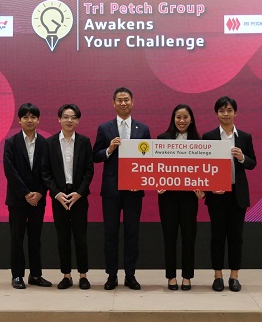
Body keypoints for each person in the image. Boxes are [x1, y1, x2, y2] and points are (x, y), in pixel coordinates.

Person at [93, 87, 151, 290]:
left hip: (134, 190)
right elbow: (95, 156)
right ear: (113, 103)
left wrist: (140, 181)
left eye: (127, 99)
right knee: (110, 233)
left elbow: (148, 159)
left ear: (133, 102)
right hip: (111, 190)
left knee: (132, 233)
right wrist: (109, 149)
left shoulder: (143, 129)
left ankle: (130, 275)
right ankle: (111, 275)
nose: (123, 103)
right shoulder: (104, 128)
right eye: (120, 100)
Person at [201, 96, 256, 292]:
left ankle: (234, 276)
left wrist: (242, 158)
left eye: (229, 110)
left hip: (237, 194)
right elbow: (203, 166)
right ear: (216, 114)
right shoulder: (208, 137)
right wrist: (209, 188)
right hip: (216, 194)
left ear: (235, 113)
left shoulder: (245, 137)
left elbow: (252, 163)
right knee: (217, 236)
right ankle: (217, 276)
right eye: (222, 110)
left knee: (236, 237)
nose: (226, 114)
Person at [41, 104, 94, 290]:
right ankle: (66, 275)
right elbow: (45, 172)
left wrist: (80, 192)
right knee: (63, 238)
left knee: (81, 237)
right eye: (66, 117)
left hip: (79, 196)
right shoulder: (50, 143)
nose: (69, 120)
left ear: (78, 121)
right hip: (59, 197)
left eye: (73, 117)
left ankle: (83, 275)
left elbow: (89, 170)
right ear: (59, 119)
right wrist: (56, 193)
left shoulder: (84, 142)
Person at [3, 103, 52, 289]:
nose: (29, 120)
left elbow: (47, 172)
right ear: (19, 120)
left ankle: (36, 275)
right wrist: (25, 193)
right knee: (17, 238)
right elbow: (10, 171)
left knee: (35, 238)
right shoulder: (11, 142)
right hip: (17, 200)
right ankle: (17, 275)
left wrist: (40, 192)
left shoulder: (45, 143)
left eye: (33, 117)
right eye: (25, 117)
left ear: (38, 120)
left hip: (38, 199)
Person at [156, 104, 205, 291]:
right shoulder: (162, 139)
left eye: (185, 117)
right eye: (178, 117)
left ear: (191, 119)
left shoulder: (199, 141)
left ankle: (187, 276)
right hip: (167, 197)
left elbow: (205, 170)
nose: (182, 121)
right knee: (169, 237)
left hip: (189, 197)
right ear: (173, 119)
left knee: (188, 236)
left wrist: (203, 190)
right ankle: (171, 276)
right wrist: (157, 183)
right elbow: (155, 166)